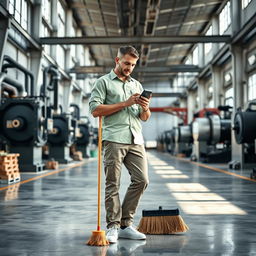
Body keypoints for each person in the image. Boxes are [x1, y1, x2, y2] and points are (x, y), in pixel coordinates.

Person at [89, 45, 151, 244]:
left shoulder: (137, 85)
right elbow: (95, 110)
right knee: (113, 183)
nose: (129, 68)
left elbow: (144, 118)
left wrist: (145, 108)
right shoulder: (103, 83)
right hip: (114, 138)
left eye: (133, 65)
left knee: (142, 180)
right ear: (117, 60)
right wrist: (125, 103)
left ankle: (125, 224)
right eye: (126, 63)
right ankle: (113, 227)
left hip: (135, 139)